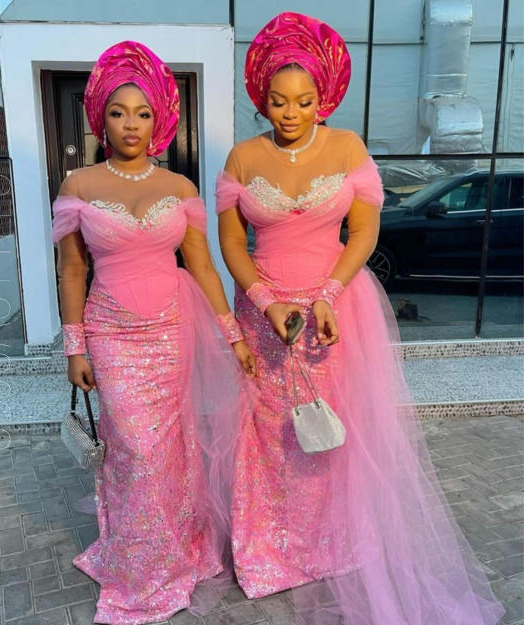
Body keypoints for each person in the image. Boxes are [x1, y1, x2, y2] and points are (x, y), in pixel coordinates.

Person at [216, 12, 504, 625]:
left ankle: (331, 540)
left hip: (334, 307)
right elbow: (232, 243)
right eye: (278, 101)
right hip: (263, 311)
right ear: (262, 98)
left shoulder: (348, 148)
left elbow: (365, 231)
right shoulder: (242, 158)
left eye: (304, 101)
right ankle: (272, 547)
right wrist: (265, 302)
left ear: (323, 98)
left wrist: (327, 293)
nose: (291, 113)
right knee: (268, 433)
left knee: (331, 428)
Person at [52, 41, 254, 625]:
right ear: (101, 119)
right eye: (119, 113)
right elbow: (72, 270)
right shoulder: (78, 185)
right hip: (111, 332)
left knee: (168, 449)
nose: (131, 124)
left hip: (171, 331)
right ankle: (139, 566)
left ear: (159, 120)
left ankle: (173, 548)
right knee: (135, 449)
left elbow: (204, 266)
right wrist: (74, 348)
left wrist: (233, 334)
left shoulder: (182, 189)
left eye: (142, 113)